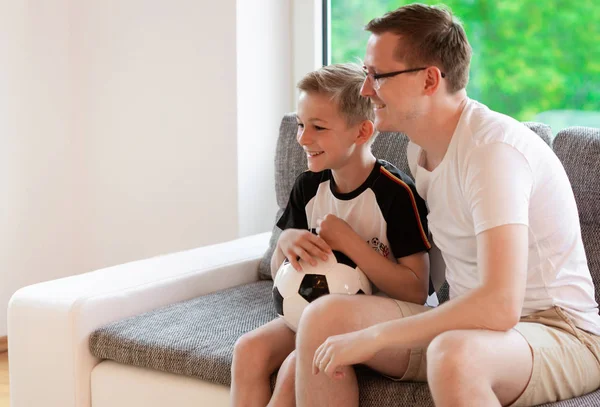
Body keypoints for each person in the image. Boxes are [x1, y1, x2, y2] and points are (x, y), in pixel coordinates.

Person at [295, 4, 600, 407]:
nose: (366, 89)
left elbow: (498, 306)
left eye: (377, 76)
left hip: (558, 331)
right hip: (466, 322)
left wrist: (374, 337)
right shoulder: (418, 150)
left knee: (454, 355)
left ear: (429, 79)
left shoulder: (492, 152)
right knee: (323, 318)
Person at [230, 63, 431, 407]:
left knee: (296, 365)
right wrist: (285, 244)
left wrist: (350, 242)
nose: (303, 139)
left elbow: (416, 289)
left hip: (387, 322)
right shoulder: (308, 186)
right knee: (248, 349)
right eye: (301, 125)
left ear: (362, 132)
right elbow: (283, 275)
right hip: (312, 311)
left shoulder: (396, 193)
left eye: (318, 127)